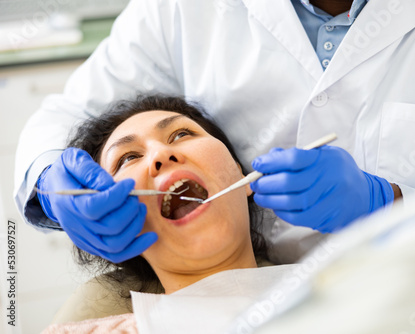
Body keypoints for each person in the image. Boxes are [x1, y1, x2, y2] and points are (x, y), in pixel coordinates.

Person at [15, 0, 415, 264]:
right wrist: (50, 181)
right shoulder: (178, 11)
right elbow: (64, 117)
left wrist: (388, 203)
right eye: (130, 159)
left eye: (182, 135)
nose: (160, 159)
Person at [43, 95, 287, 333]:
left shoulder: (325, 283)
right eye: (129, 158)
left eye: (181, 134)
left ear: (241, 175)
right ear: (112, 222)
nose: (161, 154)